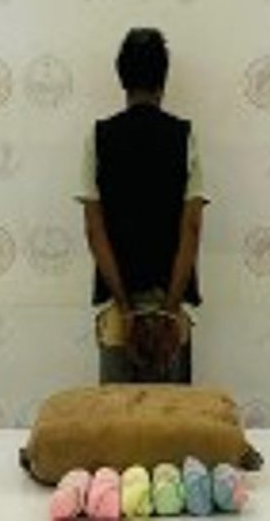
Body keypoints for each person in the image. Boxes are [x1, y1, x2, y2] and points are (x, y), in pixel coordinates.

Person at [78, 28, 208, 383]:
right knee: (173, 412)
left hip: (118, 312)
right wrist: (169, 312)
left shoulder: (98, 136)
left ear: (122, 78)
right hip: (171, 303)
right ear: (163, 80)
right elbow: (192, 228)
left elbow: (94, 230)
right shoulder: (185, 135)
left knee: (117, 413)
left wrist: (124, 308)